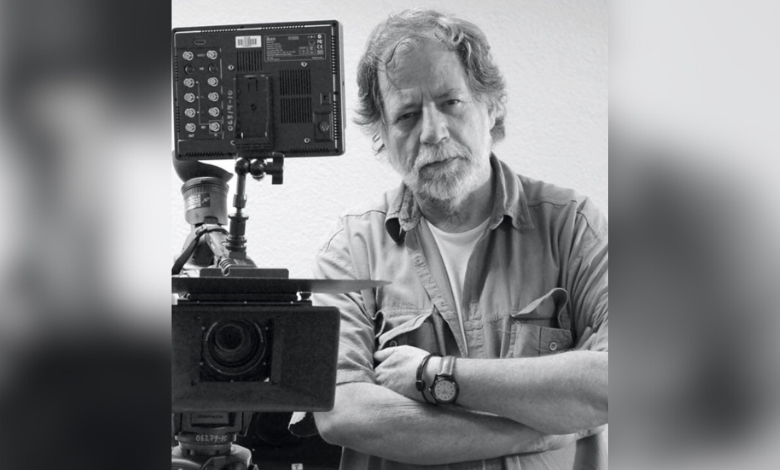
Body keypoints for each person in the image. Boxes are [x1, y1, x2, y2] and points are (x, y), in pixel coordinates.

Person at [311, 9, 608, 469]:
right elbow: (343, 414)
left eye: (450, 102)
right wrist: (541, 430)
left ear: (493, 107)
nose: (432, 132)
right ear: (383, 137)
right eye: (406, 115)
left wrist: (434, 375)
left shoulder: (573, 226)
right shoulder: (352, 249)